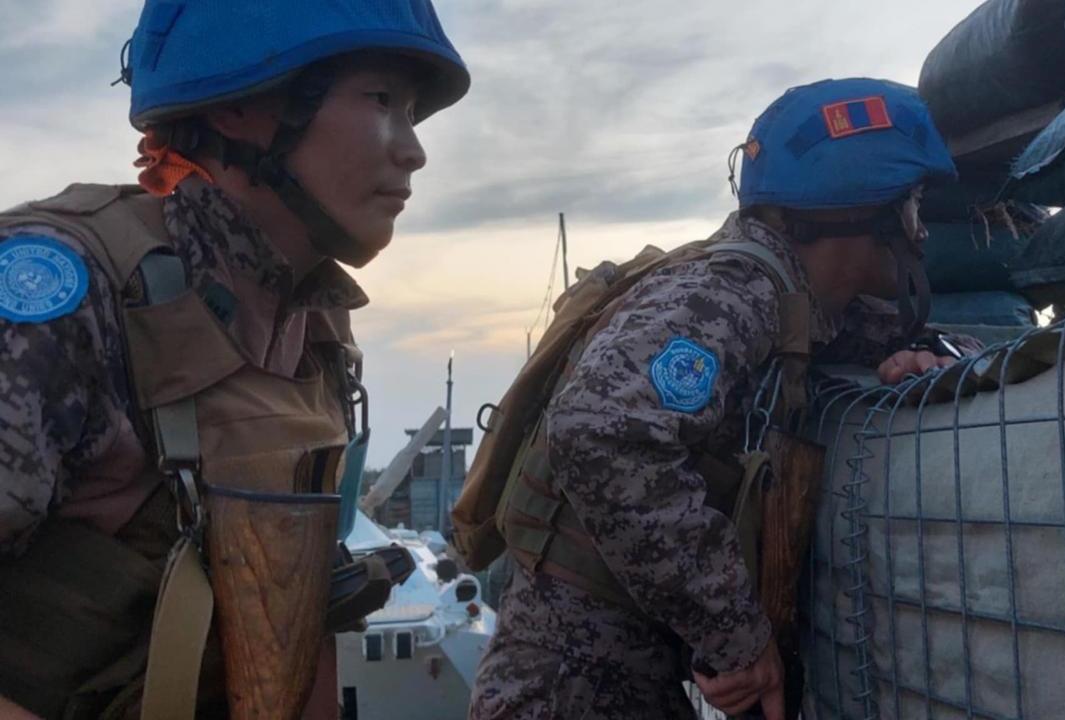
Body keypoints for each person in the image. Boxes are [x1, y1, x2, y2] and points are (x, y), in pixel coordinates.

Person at [0, 1, 468, 718]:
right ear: (238, 112)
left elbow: (299, 615)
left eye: (411, 112)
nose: (413, 150)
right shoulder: (62, 293)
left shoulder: (313, 320)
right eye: (380, 100)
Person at [468, 77, 958, 719]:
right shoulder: (733, 292)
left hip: (615, 667)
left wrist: (936, 361)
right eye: (913, 205)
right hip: (571, 681)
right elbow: (601, 431)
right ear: (866, 209)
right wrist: (735, 633)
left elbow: (908, 339)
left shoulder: (797, 302)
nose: (922, 233)